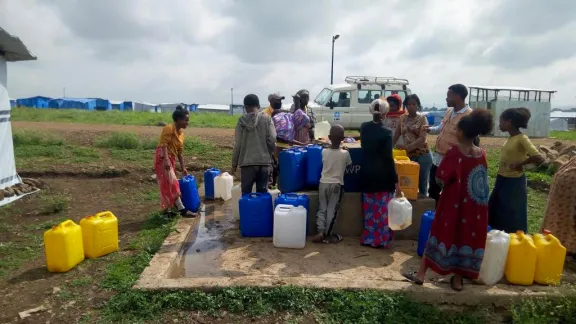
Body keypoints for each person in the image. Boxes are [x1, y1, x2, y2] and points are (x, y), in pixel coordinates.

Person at [403, 109, 494, 291]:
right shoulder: (481, 154)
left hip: (453, 203)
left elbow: (440, 177)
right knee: (465, 236)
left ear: (460, 132)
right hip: (474, 207)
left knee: (439, 233)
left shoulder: (455, 152)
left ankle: (421, 274)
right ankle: (458, 279)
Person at [489, 108, 544, 233]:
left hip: (513, 182)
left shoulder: (521, 138)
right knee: (496, 210)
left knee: (512, 214)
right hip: (502, 179)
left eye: (501, 122)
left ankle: (513, 240)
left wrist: (521, 164)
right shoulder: (511, 138)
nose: (499, 124)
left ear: (509, 122)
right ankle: (498, 237)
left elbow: (538, 157)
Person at [359, 99, 403, 248]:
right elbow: (389, 159)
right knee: (382, 210)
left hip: (367, 173)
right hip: (382, 176)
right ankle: (381, 239)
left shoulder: (364, 128)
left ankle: (369, 238)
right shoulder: (386, 132)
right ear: (385, 113)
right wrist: (396, 182)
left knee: (369, 209)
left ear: (371, 111)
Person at [426, 84, 473, 203]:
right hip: (437, 158)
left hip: (452, 160)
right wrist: (429, 129)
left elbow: (470, 140)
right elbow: (441, 127)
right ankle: (434, 216)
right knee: (433, 190)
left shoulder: (468, 115)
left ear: (457, 96)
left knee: (449, 192)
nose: (446, 99)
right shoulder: (449, 111)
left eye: (449, 96)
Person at [312, 124, 352, 244]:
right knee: (332, 210)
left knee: (322, 208)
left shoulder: (324, 152)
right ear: (343, 138)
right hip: (336, 185)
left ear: (329, 137)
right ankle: (328, 235)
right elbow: (349, 164)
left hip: (323, 183)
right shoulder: (345, 154)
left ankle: (320, 231)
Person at [154, 106, 195, 217]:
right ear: (178, 120)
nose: (187, 122)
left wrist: (183, 167)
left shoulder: (181, 135)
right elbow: (163, 144)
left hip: (170, 158)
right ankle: (182, 210)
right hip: (163, 157)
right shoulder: (169, 128)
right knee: (172, 183)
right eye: (185, 120)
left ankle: (166, 211)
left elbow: (180, 152)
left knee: (167, 184)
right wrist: (166, 159)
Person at [231, 94, 276, 194]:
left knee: (246, 194)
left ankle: (247, 210)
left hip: (247, 164)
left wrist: (234, 164)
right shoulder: (267, 119)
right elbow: (272, 139)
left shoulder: (241, 121)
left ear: (245, 107)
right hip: (264, 163)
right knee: (262, 195)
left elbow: (237, 145)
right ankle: (261, 210)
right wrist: (269, 154)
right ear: (258, 106)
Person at [393, 94, 433, 196]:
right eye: (408, 104)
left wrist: (407, 147)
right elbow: (396, 135)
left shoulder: (422, 118)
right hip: (408, 157)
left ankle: (423, 207)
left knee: (422, 185)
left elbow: (422, 139)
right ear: (405, 106)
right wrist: (390, 147)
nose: (411, 106)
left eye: (413, 104)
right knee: (409, 184)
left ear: (417, 105)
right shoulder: (402, 118)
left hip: (422, 155)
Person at [540, 156, 576, 259]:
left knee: (559, 218)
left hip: (565, 179)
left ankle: (554, 245)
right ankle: (565, 250)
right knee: (569, 220)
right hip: (571, 186)